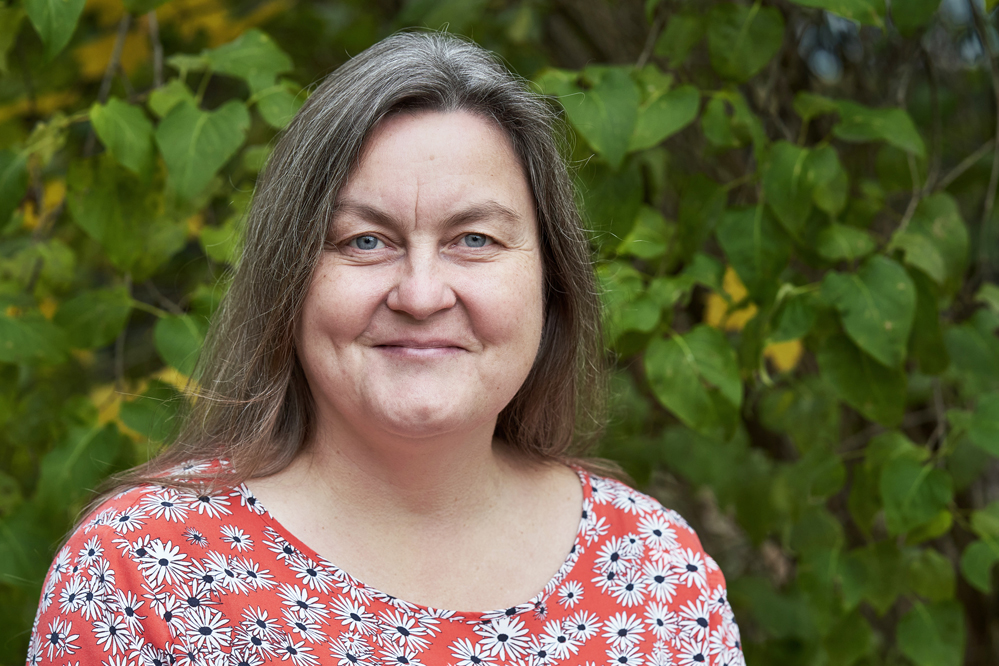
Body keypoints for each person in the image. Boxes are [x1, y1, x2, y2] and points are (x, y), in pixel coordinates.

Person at [27, 32, 743, 666]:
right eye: (364, 241)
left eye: (474, 240)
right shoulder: (142, 573)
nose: (421, 294)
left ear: (551, 280)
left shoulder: (655, 573)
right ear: (290, 278)